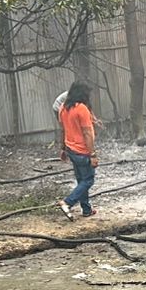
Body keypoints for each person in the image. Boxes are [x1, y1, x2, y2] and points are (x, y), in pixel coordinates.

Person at [57, 83, 97, 219]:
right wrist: (92, 154)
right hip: (82, 151)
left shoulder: (63, 108)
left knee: (81, 181)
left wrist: (62, 148)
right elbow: (87, 133)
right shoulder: (81, 108)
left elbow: (63, 130)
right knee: (89, 180)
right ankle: (67, 202)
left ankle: (86, 210)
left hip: (71, 150)